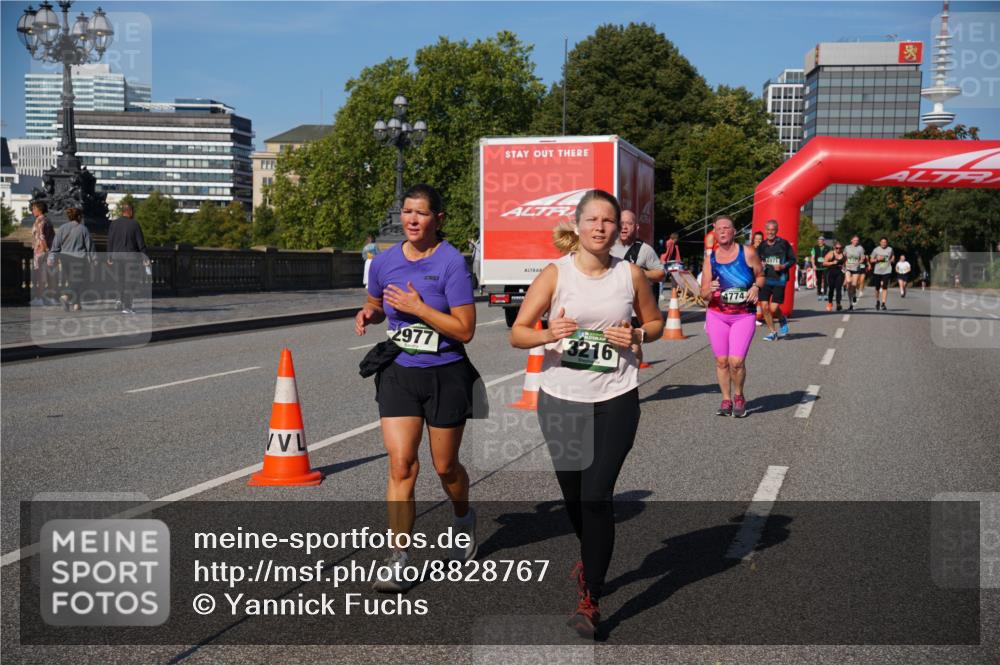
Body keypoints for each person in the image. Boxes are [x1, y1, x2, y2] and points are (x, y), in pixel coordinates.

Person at [510, 190, 663, 638]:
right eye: (592, 220)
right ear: (577, 226)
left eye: (608, 221)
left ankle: (590, 598)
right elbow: (517, 333)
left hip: (616, 396)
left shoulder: (629, 274)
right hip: (561, 399)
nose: (600, 227)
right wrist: (546, 333)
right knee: (575, 499)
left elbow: (655, 323)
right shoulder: (555, 274)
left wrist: (637, 334)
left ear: (619, 230)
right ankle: (590, 557)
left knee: (597, 497)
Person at [355, 184, 479, 593]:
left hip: (445, 373)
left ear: (437, 219)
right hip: (400, 372)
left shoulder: (451, 263)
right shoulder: (384, 261)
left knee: (445, 467)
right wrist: (369, 313)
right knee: (401, 465)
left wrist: (419, 308)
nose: (412, 219)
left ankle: (462, 518)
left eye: (421, 213)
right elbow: (376, 302)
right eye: (407, 211)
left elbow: (465, 330)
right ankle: (399, 558)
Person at [700, 215, 763, 417]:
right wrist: (710, 289)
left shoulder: (748, 252)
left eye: (727, 228)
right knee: (721, 361)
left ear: (734, 231)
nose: (723, 231)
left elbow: (761, 275)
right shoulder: (710, 259)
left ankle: (739, 395)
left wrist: (755, 286)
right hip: (717, 314)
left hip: (743, 315)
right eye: (719, 229)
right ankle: (726, 399)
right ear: (714, 233)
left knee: (736, 362)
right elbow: (703, 294)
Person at [610, 210, 664, 367]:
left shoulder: (644, 249)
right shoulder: (607, 246)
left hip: (632, 309)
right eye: (621, 223)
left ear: (636, 227)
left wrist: (639, 274)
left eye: (629, 223)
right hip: (608, 305)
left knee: (632, 348)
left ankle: (632, 376)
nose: (624, 227)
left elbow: (661, 273)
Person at [47, 206, 95, 312]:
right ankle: (65, 296)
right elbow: (90, 246)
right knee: (78, 281)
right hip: (78, 258)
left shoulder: (62, 228)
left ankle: (77, 304)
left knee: (72, 281)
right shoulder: (83, 229)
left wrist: (51, 257)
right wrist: (94, 259)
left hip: (64, 258)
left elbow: (55, 246)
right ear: (79, 216)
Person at [106, 203, 150, 314]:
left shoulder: (114, 224)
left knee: (119, 279)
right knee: (130, 282)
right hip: (131, 257)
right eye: (133, 211)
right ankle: (127, 307)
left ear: (123, 211)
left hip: (117, 256)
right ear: (130, 211)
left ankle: (118, 299)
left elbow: (110, 241)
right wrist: (145, 257)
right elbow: (140, 243)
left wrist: (109, 256)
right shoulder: (134, 224)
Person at [758, 219, 796, 341]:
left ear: (776, 230)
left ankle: (782, 318)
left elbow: (793, 260)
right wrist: (760, 264)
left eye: (772, 230)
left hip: (779, 280)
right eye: (768, 230)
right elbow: (757, 260)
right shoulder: (762, 245)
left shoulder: (784, 244)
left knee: (773, 309)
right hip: (765, 279)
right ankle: (773, 332)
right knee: (764, 307)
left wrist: (783, 266)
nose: (770, 232)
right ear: (765, 230)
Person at [29, 201, 55, 306]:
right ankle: (51, 298)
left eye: (34, 208)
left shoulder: (39, 220)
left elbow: (41, 236)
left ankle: (39, 298)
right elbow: (53, 236)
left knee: (40, 275)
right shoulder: (48, 220)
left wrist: (44, 249)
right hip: (49, 250)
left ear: (39, 209)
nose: (32, 210)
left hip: (41, 251)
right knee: (50, 275)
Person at [869, 237, 895, 311]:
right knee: (877, 288)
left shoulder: (890, 249)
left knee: (885, 286)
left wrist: (892, 259)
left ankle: (883, 303)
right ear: (880, 242)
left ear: (887, 243)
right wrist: (877, 259)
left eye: (885, 242)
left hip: (887, 270)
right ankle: (877, 301)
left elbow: (893, 256)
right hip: (877, 271)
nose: (884, 243)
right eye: (882, 242)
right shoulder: (876, 250)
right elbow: (871, 260)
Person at [822, 240, 847, 311]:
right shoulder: (830, 253)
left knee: (839, 288)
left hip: (840, 273)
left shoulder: (844, 254)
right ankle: (830, 303)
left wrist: (846, 275)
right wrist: (832, 262)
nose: (838, 249)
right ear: (834, 248)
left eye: (840, 248)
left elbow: (845, 265)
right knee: (831, 288)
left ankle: (838, 304)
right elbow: (824, 263)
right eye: (837, 248)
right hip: (831, 272)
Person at [843, 235, 866, 310]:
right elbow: (844, 256)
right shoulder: (847, 247)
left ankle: (854, 294)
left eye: (857, 240)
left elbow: (862, 258)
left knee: (854, 285)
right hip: (848, 268)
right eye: (855, 240)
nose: (856, 241)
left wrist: (859, 262)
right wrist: (844, 263)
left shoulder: (860, 248)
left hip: (856, 268)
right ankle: (850, 304)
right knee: (849, 283)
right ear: (851, 240)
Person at [810, 236, 828, 301]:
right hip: (818, 267)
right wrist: (813, 265)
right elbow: (812, 257)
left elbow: (830, 256)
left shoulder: (828, 248)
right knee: (819, 281)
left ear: (823, 241)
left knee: (826, 281)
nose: (820, 241)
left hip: (826, 267)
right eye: (819, 240)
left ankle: (825, 294)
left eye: (821, 240)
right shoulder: (814, 248)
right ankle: (819, 294)